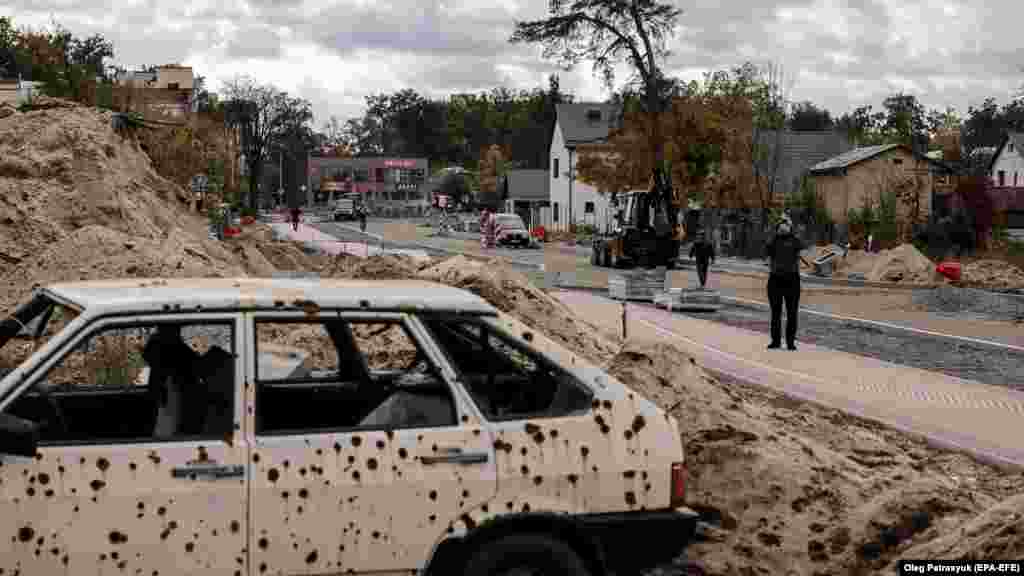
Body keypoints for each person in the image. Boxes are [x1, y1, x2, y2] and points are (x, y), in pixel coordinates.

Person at [764, 218, 811, 351]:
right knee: (775, 312)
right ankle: (775, 341)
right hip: (775, 280)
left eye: (786, 225)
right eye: (781, 225)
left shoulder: (795, 240)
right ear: (778, 228)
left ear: (790, 228)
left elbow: (803, 244)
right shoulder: (773, 241)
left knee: (792, 313)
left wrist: (793, 229)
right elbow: (767, 247)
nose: (784, 227)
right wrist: (777, 231)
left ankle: (790, 342)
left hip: (792, 280)